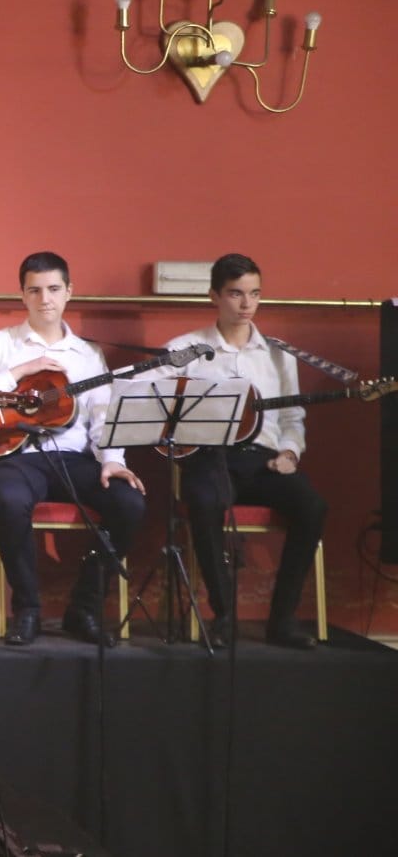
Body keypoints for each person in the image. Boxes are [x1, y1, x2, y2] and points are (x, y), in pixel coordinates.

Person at [0, 252, 146, 647]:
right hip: (17, 458)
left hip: (74, 458)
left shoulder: (88, 355)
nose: (45, 299)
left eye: (54, 289)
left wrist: (112, 461)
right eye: (34, 290)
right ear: (23, 294)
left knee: (129, 503)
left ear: (69, 292)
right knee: (7, 497)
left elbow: (103, 415)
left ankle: (84, 609)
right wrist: (18, 371)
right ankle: (28, 609)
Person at [158, 253, 326, 650]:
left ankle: (282, 620)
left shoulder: (279, 354)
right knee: (204, 501)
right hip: (209, 458)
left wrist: (290, 453)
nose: (247, 304)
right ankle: (224, 616)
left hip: (264, 460)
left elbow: (293, 416)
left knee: (313, 506)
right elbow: (152, 405)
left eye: (254, 294)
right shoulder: (184, 349)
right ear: (214, 296)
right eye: (236, 294)